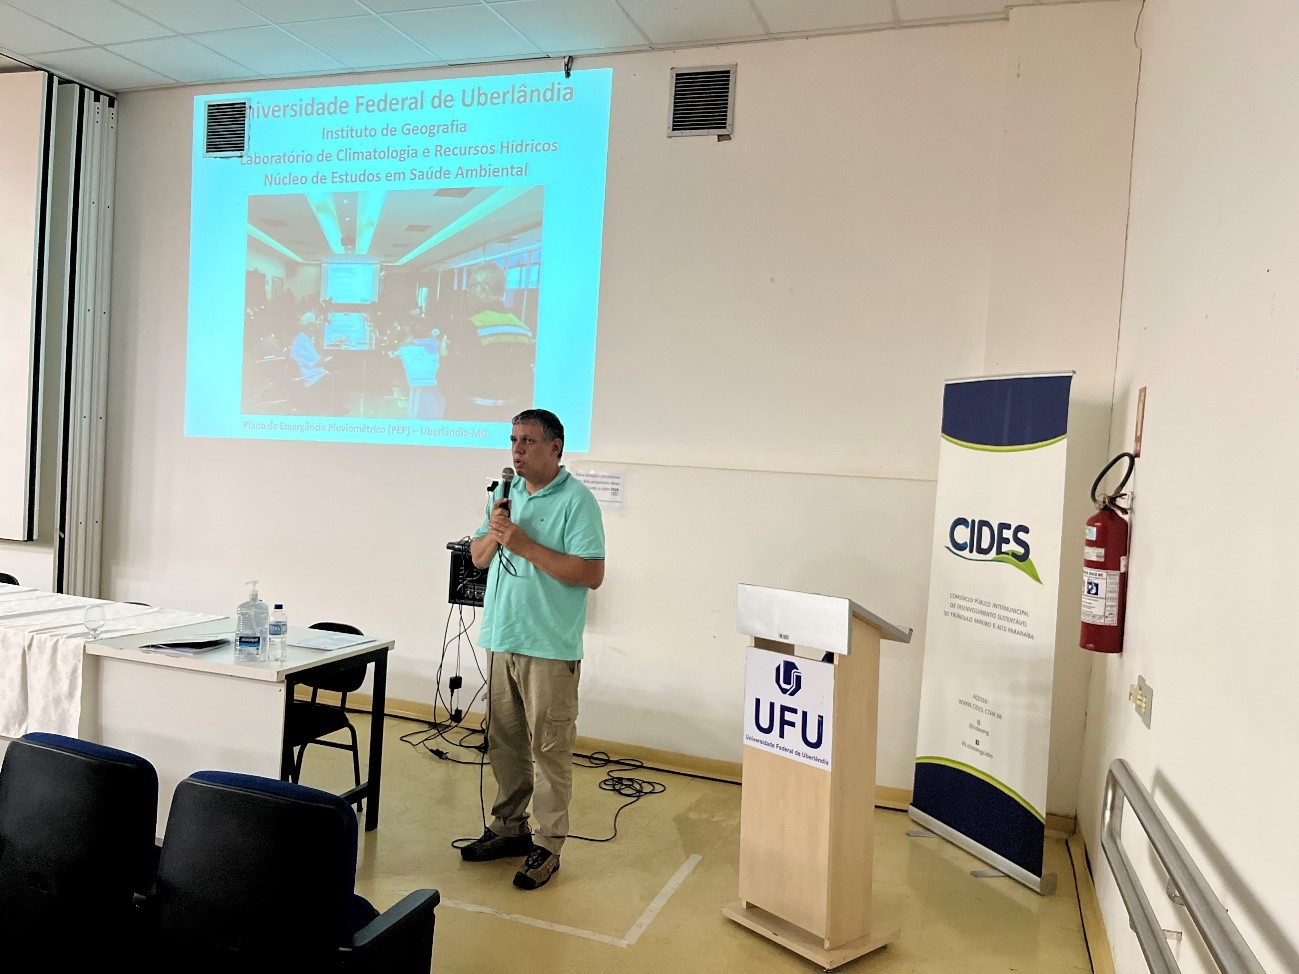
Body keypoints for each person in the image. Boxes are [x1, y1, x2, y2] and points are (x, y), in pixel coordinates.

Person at [461, 409, 605, 890]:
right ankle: (509, 826)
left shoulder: (577, 501)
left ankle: (548, 843)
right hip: (503, 637)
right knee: (505, 741)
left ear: (556, 447)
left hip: (548, 645)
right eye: (513, 440)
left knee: (549, 748)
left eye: (528, 441)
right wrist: (497, 531)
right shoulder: (506, 495)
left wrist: (523, 545)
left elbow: (591, 574)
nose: (517, 450)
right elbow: (479, 557)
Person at [440, 261, 535, 421]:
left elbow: (451, 383)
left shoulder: (468, 327)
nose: (468, 293)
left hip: (470, 417)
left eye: (470, 287)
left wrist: (443, 358)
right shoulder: (523, 330)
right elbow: (525, 380)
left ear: (483, 288)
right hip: (508, 419)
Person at [289, 311, 335, 414]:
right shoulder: (304, 341)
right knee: (332, 375)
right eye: (311, 326)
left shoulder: (301, 338)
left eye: (314, 326)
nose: (314, 329)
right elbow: (319, 363)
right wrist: (321, 342)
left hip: (307, 373)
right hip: (312, 377)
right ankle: (330, 411)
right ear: (304, 327)